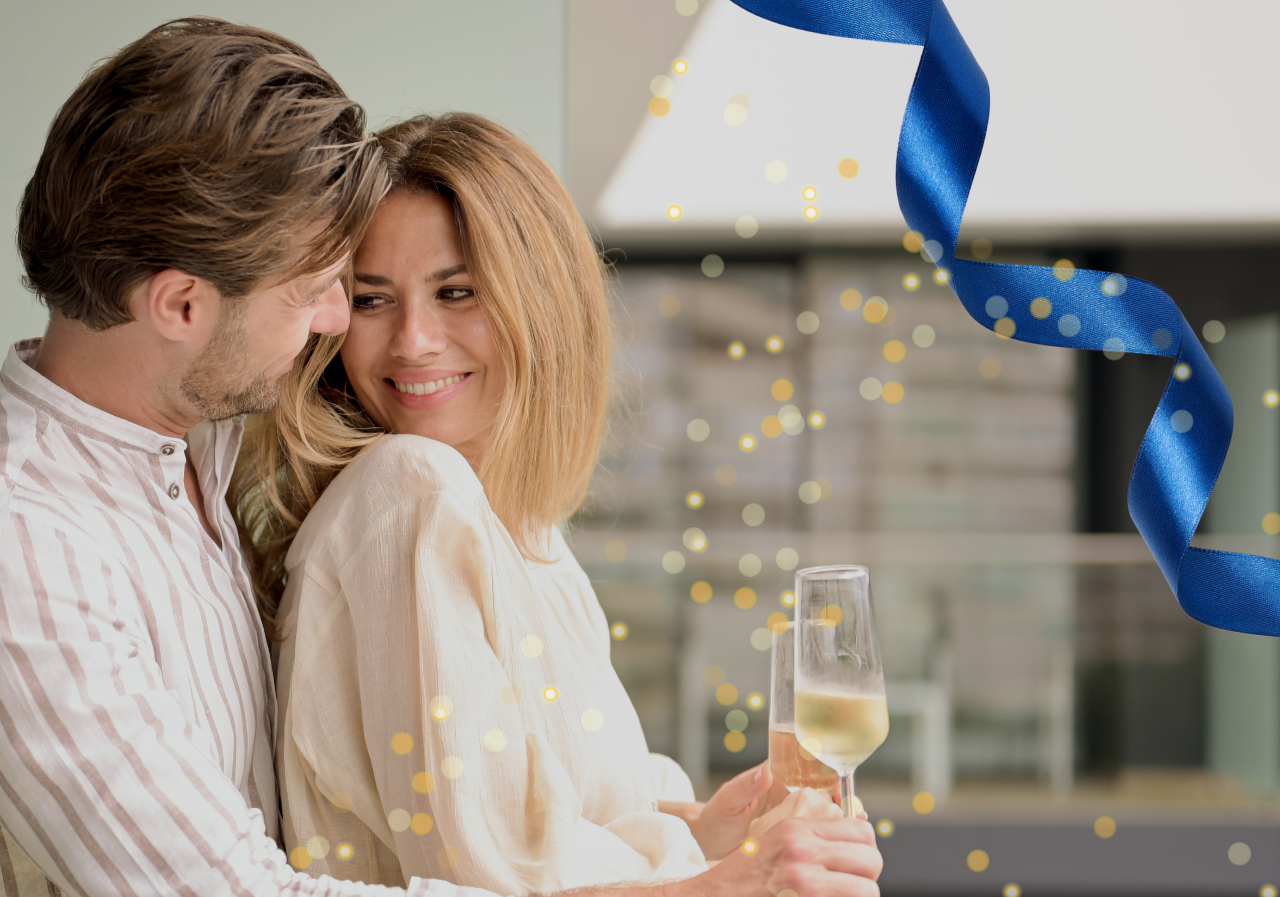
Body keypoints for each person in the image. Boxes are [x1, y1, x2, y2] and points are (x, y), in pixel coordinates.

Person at [0, 16, 882, 897]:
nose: (337, 327)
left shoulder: (200, 432)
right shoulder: (33, 551)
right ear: (181, 306)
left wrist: (695, 833)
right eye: (320, 292)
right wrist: (714, 888)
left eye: (455, 291)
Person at [238, 113, 872, 897]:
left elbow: (551, 824)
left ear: (538, 299)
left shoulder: (528, 534)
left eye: (456, 292)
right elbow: (493, 876)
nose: (413, 340)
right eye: (371, 300)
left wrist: (704, 829)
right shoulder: (410, 492)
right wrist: (733, 881)